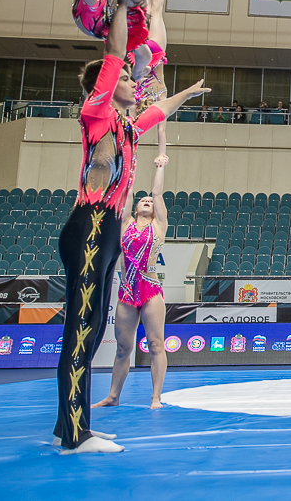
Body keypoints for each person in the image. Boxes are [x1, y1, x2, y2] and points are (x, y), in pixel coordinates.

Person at [52, 4, 209, 454]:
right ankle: (75, 434)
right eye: (123, 78)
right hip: (90, 225)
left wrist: (188, 93)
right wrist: (123, 3)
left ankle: (72, 426)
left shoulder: (127, 127)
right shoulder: (97, 112)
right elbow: (115, 52)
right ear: (103, 87)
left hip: (105, 233)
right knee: (80, 330)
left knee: (91, 329)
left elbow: (158, 109)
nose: (130, 83)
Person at [94, 123, 170, 411]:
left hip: (150, 290)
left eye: (150, 201)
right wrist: (128, 159)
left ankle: (155, 397)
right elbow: (125, 192)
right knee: (123, 348)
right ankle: (113, 396)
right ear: (136, 207)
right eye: (143, 200)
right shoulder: (125, 223)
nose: (148, 201)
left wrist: (160, 165)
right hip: (127, 291)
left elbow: (158, 193)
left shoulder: (159, 226)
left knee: (156, 344)